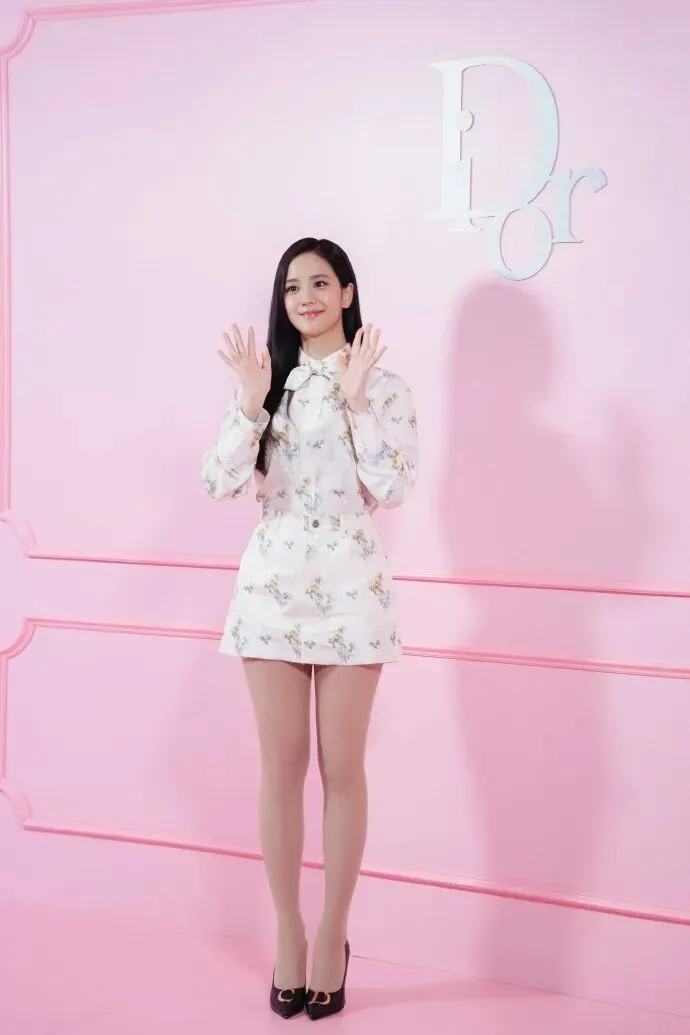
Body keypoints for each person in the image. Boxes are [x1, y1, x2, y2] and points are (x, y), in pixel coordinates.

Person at [202, 238, 418, 1020]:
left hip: (353, 590)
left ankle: (333, 932)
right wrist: (250, 402)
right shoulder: (270, 384)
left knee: (343, 768)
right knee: (280, 769)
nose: (306, 297)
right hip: (272, 592)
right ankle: (289, 931)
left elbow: (394, 484)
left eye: (321, 283)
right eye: (293, 286)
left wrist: (357, 402)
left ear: (348, 292)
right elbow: (219, 481)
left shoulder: (385, 386)